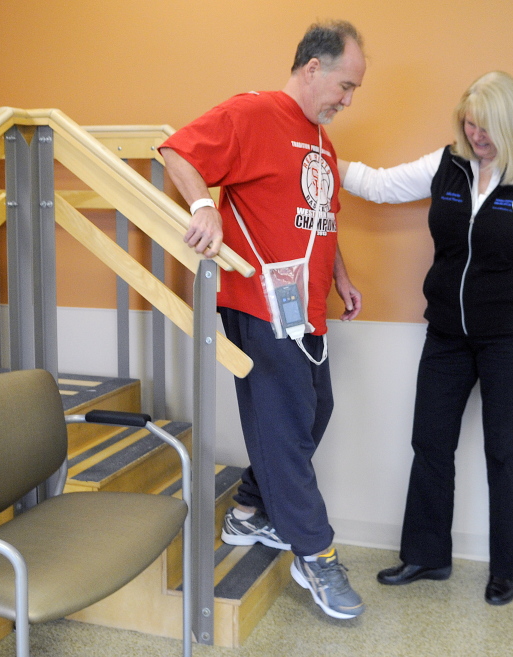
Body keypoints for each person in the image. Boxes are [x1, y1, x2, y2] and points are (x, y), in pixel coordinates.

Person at [339, 71, 513, 605]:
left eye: (486, 128)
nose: (476, 137)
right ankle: (425, 555)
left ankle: (506, 569)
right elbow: (380, 185)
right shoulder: (447, 165)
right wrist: (324, 164)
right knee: (430, 441)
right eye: (469, 125)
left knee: (508, 452)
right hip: (447, 333)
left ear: (511, 125)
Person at [159, 20, 366, 620]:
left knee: (313, 413)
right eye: (345, 86)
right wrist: (204, 206)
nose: (347, 101)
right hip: (256, 301)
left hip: (304, 310)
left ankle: (250, 510)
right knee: (283, 426)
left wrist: (341, 277)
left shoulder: (320, 140)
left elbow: (318, 221)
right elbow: (177, 149)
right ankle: (315, 553)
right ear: (312, 69)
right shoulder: (254, 113)